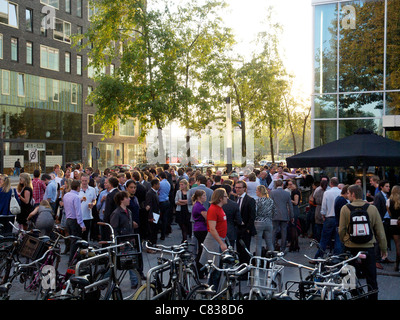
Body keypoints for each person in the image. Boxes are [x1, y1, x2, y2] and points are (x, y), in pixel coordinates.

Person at [339, 184, 387, 300]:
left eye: (349, 194)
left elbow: (341, 230)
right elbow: (380, 231)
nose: (348, 196)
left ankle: (357, 297)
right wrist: (383, 249)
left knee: (349, 277)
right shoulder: (372, 209)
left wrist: (346, 241)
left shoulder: (345, 208)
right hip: (368, 248)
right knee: (371, 277)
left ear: (353, 194)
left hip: (350, 248)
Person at [199, 188, 228, 288]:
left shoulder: (219, 208)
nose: (227, 197)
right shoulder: (213, 209)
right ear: (220, 198)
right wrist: (221, 243)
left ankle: (214, 290)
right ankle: (211, 291)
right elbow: (212, 229)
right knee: (214, 269)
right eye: (225, 196)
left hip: (218, 240)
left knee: (217, 268)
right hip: (213, 241)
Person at [110, 191, 139, 289]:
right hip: (122, 241)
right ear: (122, 200)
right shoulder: (116, 213)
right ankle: (104, 280)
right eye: (127, 198)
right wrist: (119, 242)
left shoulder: (128, 211)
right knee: (116, 263)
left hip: (128, 240)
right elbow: (114, 229)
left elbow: (128, 224)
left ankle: (135, 282)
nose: (129, 199)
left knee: (130, 261)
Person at [313, 177, 342, 259]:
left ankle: (319, 256)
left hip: (329, 217)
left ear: (331, 183)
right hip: (338, 218)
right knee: (338, 239)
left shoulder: (327, 193)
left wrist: (323, 214)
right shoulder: (341, 192)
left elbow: (324, 206)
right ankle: (336, 257)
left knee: (324, 239)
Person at [63, 180, 86, 265]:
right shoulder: (76, 197)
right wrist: (82, 224)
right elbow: (78, 212)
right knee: (76, 241)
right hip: (74, 221)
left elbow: (69, 207)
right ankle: (72, 260)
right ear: (78, 187)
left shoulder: (66, 195)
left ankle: (73, 258)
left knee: (73, 240)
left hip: (68, 219)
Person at [234, 180, 256, 265]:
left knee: (245, 249)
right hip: (237, 228)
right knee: (239, 249)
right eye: (236, 187)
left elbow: (252, 216)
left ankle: (245, 270)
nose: (237, 189)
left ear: (244, 189)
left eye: (239, 188)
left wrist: (248, 229)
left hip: (245, 229)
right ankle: (240, 267)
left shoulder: (250, 200)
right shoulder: (235, 199)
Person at [270, 179, 294, 253]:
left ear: (276, 185)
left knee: (274, 231)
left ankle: (272, 248)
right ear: (282, 185)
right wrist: (291, 216)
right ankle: (282, 248)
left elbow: (270, 204)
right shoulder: (286, 193)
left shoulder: (272, 193)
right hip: (284, 214)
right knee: (284, 231)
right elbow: (290, 206)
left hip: (275, 214)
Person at [254, 185, 276, 255]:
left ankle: (258, 261)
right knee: (269, 243)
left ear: (260, 191)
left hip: (259, 222)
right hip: (268, 222)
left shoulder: (257, 201)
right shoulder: (271, 201)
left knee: (258, 244)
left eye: (257, 190)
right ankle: (272, 260)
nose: (256, 192)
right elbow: (274, 211)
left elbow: (255, 212)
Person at [191, 189, 208, 275]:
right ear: (199, 197)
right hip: (201, 229)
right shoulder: (200, 206)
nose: (205, 197)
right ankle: (200, 269)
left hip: (198, 228)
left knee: (201, 249)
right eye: (204, 196)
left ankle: (199, 269)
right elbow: (207, 217)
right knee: (202, 250)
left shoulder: (197, 205)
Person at [79, 174, 97, 241]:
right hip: (79, 216)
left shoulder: (92, 189)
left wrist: (92, 204)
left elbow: (94, 200)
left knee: (86, 236)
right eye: (83, 181)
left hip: (88, 216)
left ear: (88, 181)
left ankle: (84, 249)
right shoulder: (78, 190)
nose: (84, 182)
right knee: (78, 235)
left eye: (85, 181)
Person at [387, 185, 400, 272]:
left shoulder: (388, 201)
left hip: (394, 223)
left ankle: (397, 265)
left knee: (397, 245)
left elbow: (390, 214)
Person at [145, 178, 161, 249]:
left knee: (155, 230)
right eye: (158, 184)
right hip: (153, 215)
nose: (159, 185)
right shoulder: (150, 193)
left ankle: (154, 244)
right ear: (155, 185)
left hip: (156, 214)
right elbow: (149, 205)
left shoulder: (154, 192)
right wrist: (150, 217)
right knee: (152, 231)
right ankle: (151, 246)